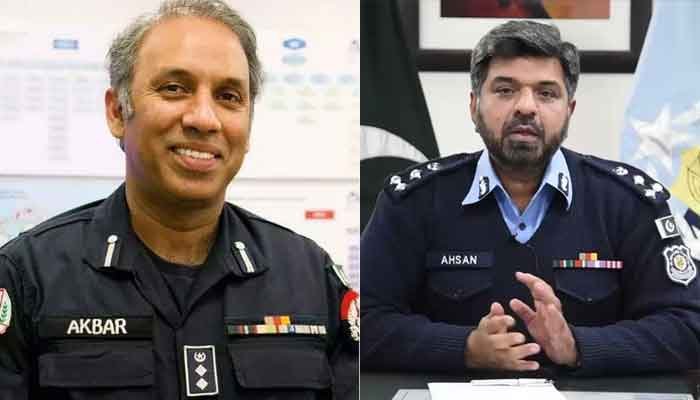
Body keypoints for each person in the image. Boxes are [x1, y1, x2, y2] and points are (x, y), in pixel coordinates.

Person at [0, 0, 358, 398]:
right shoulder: (27, 277)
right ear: (117, 112)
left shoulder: (310, 277)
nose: (204, 118)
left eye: (229, 96)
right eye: (174, 88)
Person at [361, 20, 700, 376]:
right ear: (474, 106)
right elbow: (365, 322)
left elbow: (688, 327)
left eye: (546, 93)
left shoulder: (627, 202)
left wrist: (577, 346)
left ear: (569, 110)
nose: (526, 106)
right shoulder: (414, 201)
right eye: (505, 90)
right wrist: (464, 348)